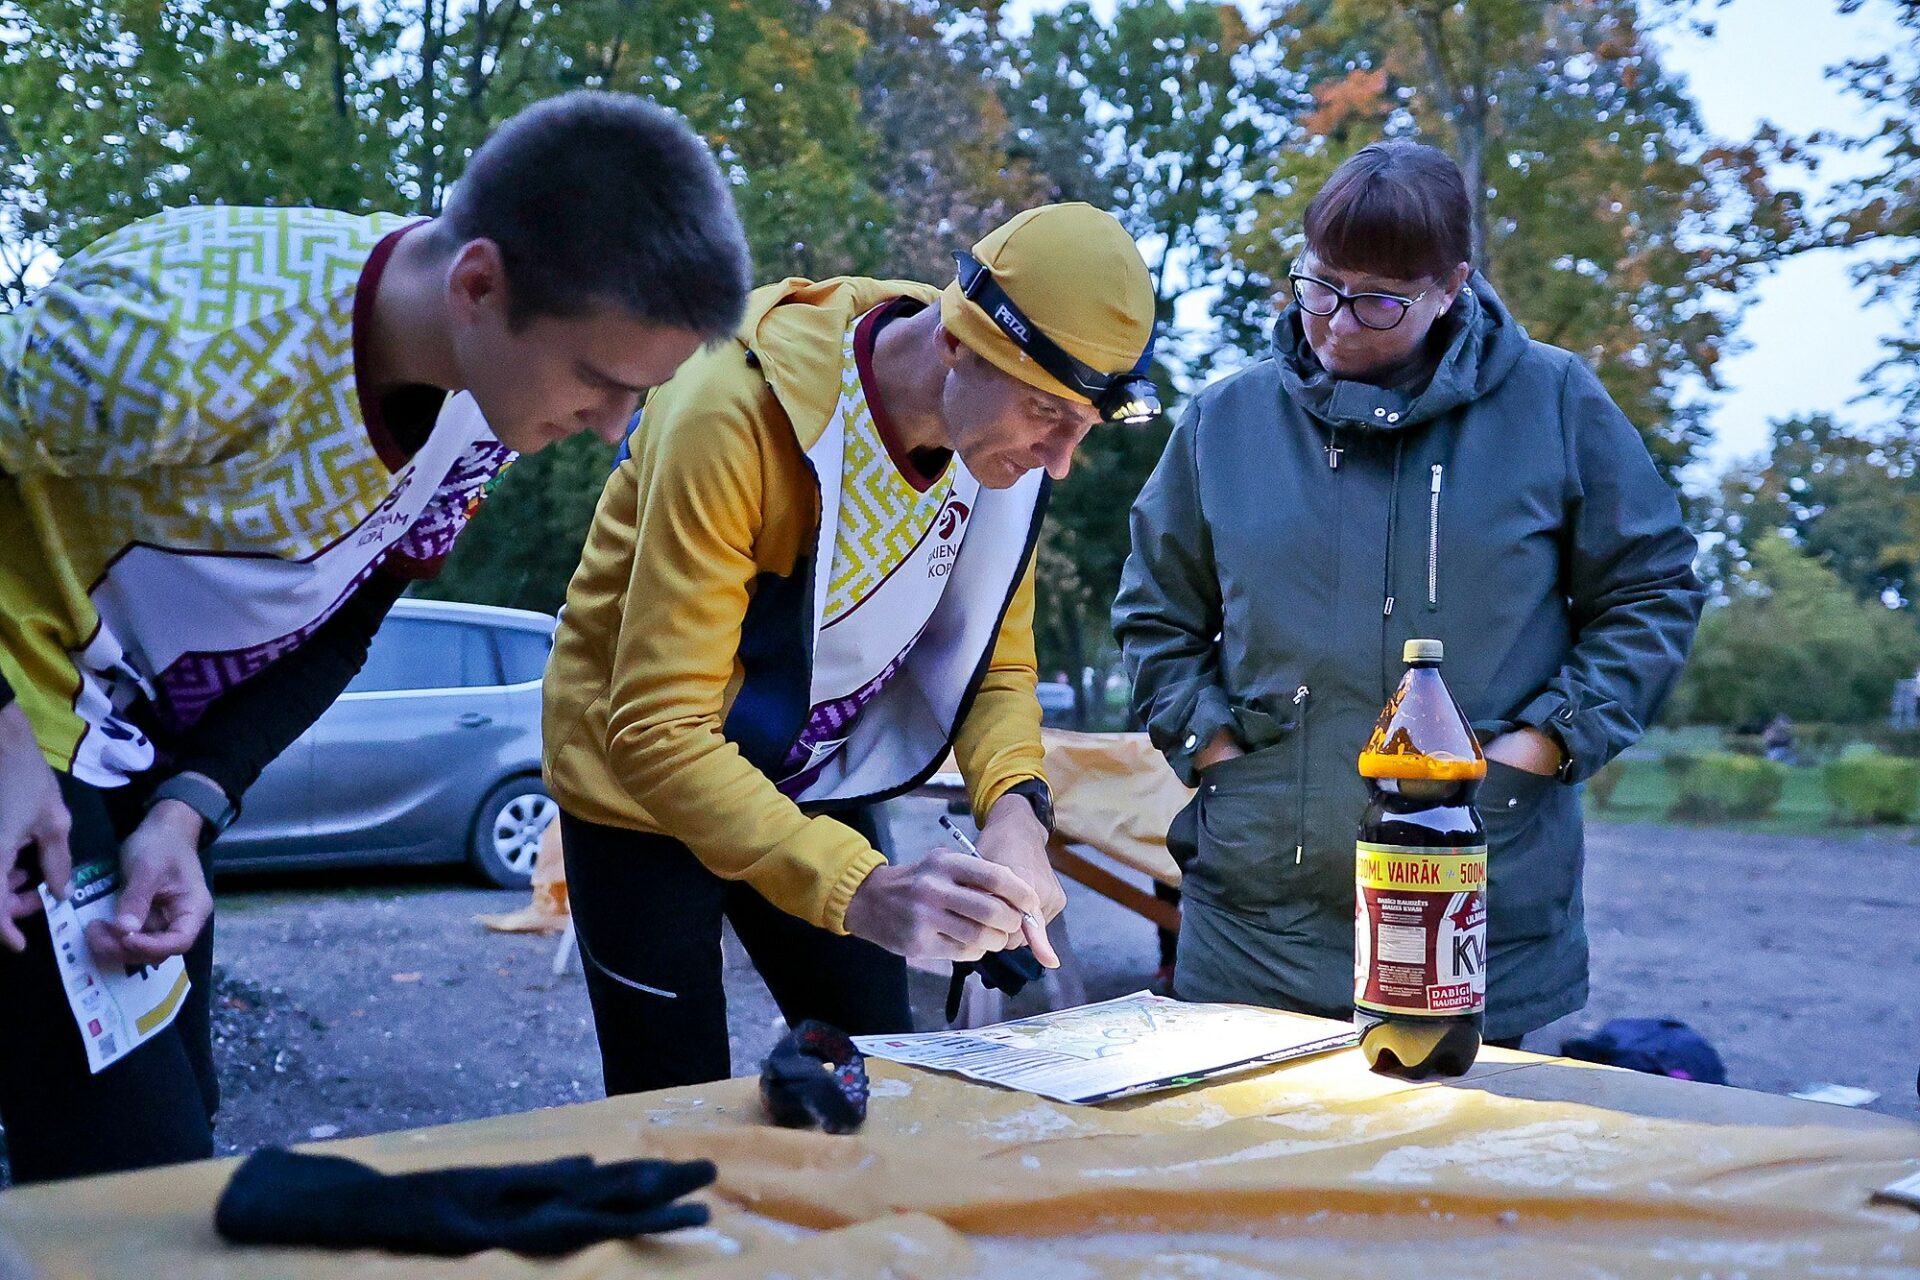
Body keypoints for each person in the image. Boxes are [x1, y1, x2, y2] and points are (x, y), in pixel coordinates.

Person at [0, 90, 752, 1184]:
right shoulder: (171, 333)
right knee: (126, 1169)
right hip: (25, 719)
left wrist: (190, 801)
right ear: (479, 285)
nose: (610, 429)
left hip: (137, 756)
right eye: (599, 381)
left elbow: (343, 620)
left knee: (172, 1133)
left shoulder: (479, 403)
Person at [544, 203, 1159, 1094]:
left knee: (877, 1063)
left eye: (1083, 427)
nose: (1060, 460)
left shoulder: (999, 444)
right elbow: (656, 732)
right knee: (670, 1099)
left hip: (805, 776)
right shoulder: (733, 410)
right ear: (955, 342)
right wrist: (861, 891)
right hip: (638, 793)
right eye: (1045, 414)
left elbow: (994, 665)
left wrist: (1016, 813)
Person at [1114, 140, 1703, 1046]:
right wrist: (1216, 748)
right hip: (1256, 922)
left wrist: (1544, 742)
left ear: (1451, 287)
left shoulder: (1554, 404)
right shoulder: (1222, 423)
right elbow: (1156, 616)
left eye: (1380, 301)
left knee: (1451, 1140)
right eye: (1320, 285)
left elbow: (1652, 590)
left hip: (1473, 913)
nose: (1337, 324)